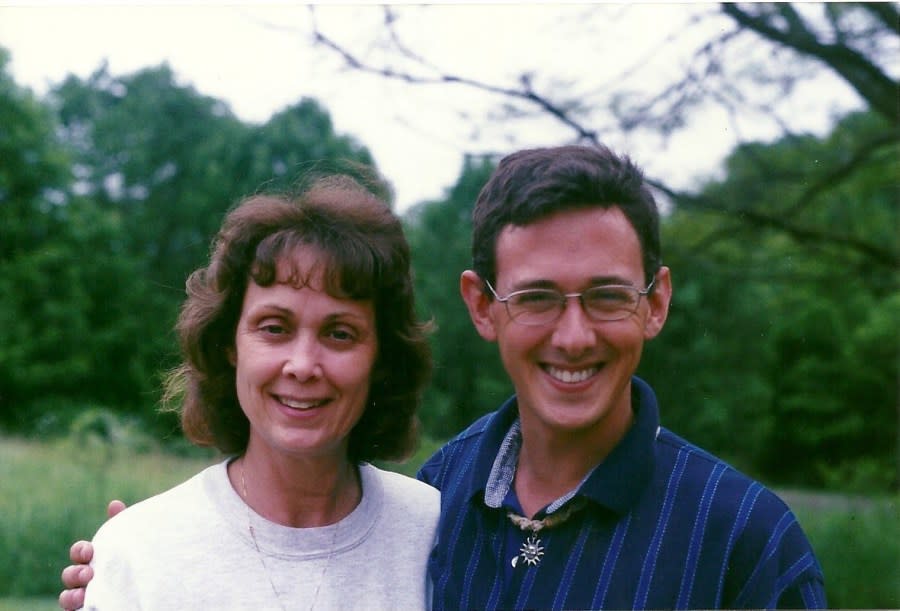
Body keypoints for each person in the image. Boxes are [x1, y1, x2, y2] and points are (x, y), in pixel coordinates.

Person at [61, 145, 826, 610]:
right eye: (534, 296)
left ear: (655, 302)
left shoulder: (744, 542)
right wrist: (143, 556)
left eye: (606, 295)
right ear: (482, 306)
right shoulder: (445, 499)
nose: (572, 333)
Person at [59, 172, 439, 610]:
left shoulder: (437, 535)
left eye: (340, 334)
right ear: (228, 344)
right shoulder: (139, 552)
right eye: (274, 328)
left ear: (381, 359)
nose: (302, 365)